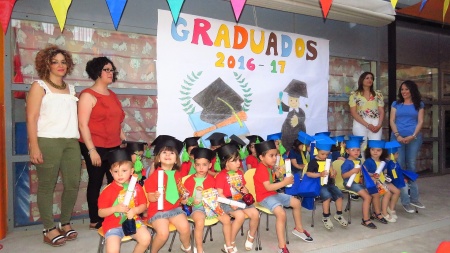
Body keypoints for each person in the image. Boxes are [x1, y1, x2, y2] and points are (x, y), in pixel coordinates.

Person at [26, 45, 81, 246]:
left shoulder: (72, 89)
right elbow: (31, 118)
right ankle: (49, 228)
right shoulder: (39, 86)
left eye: (63, 61)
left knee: (72, 184)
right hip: (47, 141)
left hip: (70, 142)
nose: (60, 65)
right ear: (47, 64)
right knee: (47, 186)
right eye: (55, 61)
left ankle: (65, 222)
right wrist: (34, 146)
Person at [78, 56, 126, 230]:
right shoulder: (87, 95)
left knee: (115, 182)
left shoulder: (112, 94)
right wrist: (91, 150)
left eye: (112, 69)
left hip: (113, 145)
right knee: (96, 181)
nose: (110, 73)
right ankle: (94, 219)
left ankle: (112, 215)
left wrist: (122, 138)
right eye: (106, 69)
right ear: (96, 72)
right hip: (95, 145)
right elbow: (83, 125)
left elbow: (117, 119)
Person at [253, 140, 313, 253]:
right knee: (281, 213)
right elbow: (268, 187)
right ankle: (282, 246)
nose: (275, 158)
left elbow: (273, 180)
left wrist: (279, 173)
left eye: (275, 155)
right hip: (264, 198)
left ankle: (299, 229)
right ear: (261, 157)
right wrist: (285, 182)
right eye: (271, 155)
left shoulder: (269, 166)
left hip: (273, 194)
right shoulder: (261, 169)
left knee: (296, 202)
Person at [143, 136, 193, 253]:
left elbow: (179, 192)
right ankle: (153, 251)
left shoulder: (177, 175)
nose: (167, 155)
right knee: (163, 233)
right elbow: (149, 196)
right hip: (158, 211)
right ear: (159, 158)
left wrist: (183, 199)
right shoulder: (154, 176)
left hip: (174, 208)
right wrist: (154, 197)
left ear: (176, 160)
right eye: (164, 152)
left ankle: (187, 247)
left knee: (185, 228)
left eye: (171, 153)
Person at [98, 149, 150, 253]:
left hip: (133, 221)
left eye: (124, 171)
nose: (120, 175)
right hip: (113, 225)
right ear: (111, 172)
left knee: (146, 239)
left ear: (131, 171)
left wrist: (135, 210)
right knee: (113, 250)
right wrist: (115, 208)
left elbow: (144, 205)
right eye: (116, 171)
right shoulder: (107, 191)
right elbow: (100, 213)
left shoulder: (136, 187)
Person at [183, 147, 233, 253]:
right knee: (200, 222)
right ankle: (199, 248)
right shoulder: (188, 181)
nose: (201, 167)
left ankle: (228, 245)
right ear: (194, 165)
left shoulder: (212, 180)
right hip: (197, 208)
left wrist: (217, 203)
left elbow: (216, 196)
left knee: (227, 219)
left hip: (212, 207)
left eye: (204, 165)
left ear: (210, 166)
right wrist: (192, 201)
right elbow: (184, 199)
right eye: (198, 165)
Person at [389, 80, 425, 213]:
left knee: (411, 166)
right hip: (397, 138)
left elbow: (420, 121)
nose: (404, 92)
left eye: (406, 89)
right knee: (399, 167)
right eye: (402, 89)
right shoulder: (396, 104)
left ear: (412, 90)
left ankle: (414, 199)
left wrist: (413, 136)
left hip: (413, 139)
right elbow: (392, 120)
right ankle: (405, 201)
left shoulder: (419, 104)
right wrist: (398, 135)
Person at [215, 144, 259, 252]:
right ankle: (230, 241)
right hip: (227, 200)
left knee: (255, 214)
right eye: (234, 161)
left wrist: (246, 191)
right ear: (226, 163)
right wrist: (230, 202)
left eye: (239, 160)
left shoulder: (239, 173)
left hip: (240, 198)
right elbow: (219, 194)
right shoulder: (221, 176)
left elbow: (243, 187)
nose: (239, 163)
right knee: (240, 216)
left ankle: (251, 236)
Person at [306, 136, 348, 230]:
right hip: (318, 185)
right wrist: (319, 174)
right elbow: (308, 174)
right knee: (327, 196)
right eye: (323, 154)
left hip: (330, 183)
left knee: (339, 195)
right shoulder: (313, 162)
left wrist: (333, 173)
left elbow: (332, 171)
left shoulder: (328, 161)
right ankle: (325, 216)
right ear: (317, 151)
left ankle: (339, 214)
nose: (325, 156)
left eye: (327, 154)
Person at [340, 139, 375, 229]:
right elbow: (344, 176)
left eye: (358, 150)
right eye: (353, 150)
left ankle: (374, 213)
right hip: (349, 183)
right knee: (367, 197)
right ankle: (366, 220)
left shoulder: (359, 161)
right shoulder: (347, 163)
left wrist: (372, 175)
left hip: (358, 183)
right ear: (347, 151)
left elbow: (363, 171)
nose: (356, 152)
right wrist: (353, 171)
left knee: (373, 192)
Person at [363, 140, 399, 223]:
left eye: (378, 150)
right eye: (373, 150)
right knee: (388, 193)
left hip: (382, 181)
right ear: (369, 150)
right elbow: (364, 172)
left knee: (395, 190)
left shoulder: (383, 162)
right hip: (372, 182)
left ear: (382, 151)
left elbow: (385, 172)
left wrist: (387, 177)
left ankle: (388, 209)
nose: (375, 152)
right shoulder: (368, 161)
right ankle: (384, 212)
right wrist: (372, 175)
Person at [349, 72, 385, 155]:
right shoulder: (354, 94)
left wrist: (379, 124)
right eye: (367, 78)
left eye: (371, 78)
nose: (370, 80)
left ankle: (374, 166)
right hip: (360, 122)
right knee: (361, 147)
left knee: (375, 147)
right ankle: (361, 167)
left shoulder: (378, 94)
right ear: (362, 80)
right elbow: (353, 112)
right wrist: (367, 125)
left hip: (375, 121)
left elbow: (381, 110)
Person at [276, 79, 308, 149]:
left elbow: (303, 117)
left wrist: (298, 120)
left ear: (299, 101)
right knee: (287, 148)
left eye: (295, 100)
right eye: (291, 100)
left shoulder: (300, 111)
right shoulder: (289, 109)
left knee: (297, 148)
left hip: (297, 134)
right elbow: (283, 108)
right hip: (287, 136)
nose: (293, 102)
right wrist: (279, 103)